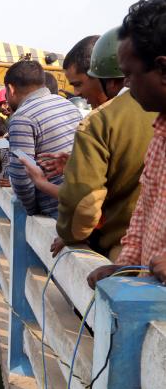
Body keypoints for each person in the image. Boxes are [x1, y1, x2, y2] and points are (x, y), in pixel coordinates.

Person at [37, 28, 156, 261]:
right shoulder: (154, 114)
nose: (77, 94)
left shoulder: (100, 121)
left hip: (126, 254)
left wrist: (71, 235)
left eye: (79, 84)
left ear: (109, 81)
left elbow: (83, 203)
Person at [89, 0, 166, 286]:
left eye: (130, 76)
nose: (127, 87)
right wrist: (125, 265)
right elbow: (145, 211)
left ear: (162, 69)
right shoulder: (160, 133)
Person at [5, 60, 81, 218]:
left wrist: (32, 210)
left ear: (11, 89)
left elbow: (21, 178)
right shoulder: (69, 105)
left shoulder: (22, 117)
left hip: (56, 213)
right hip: (81, 205)